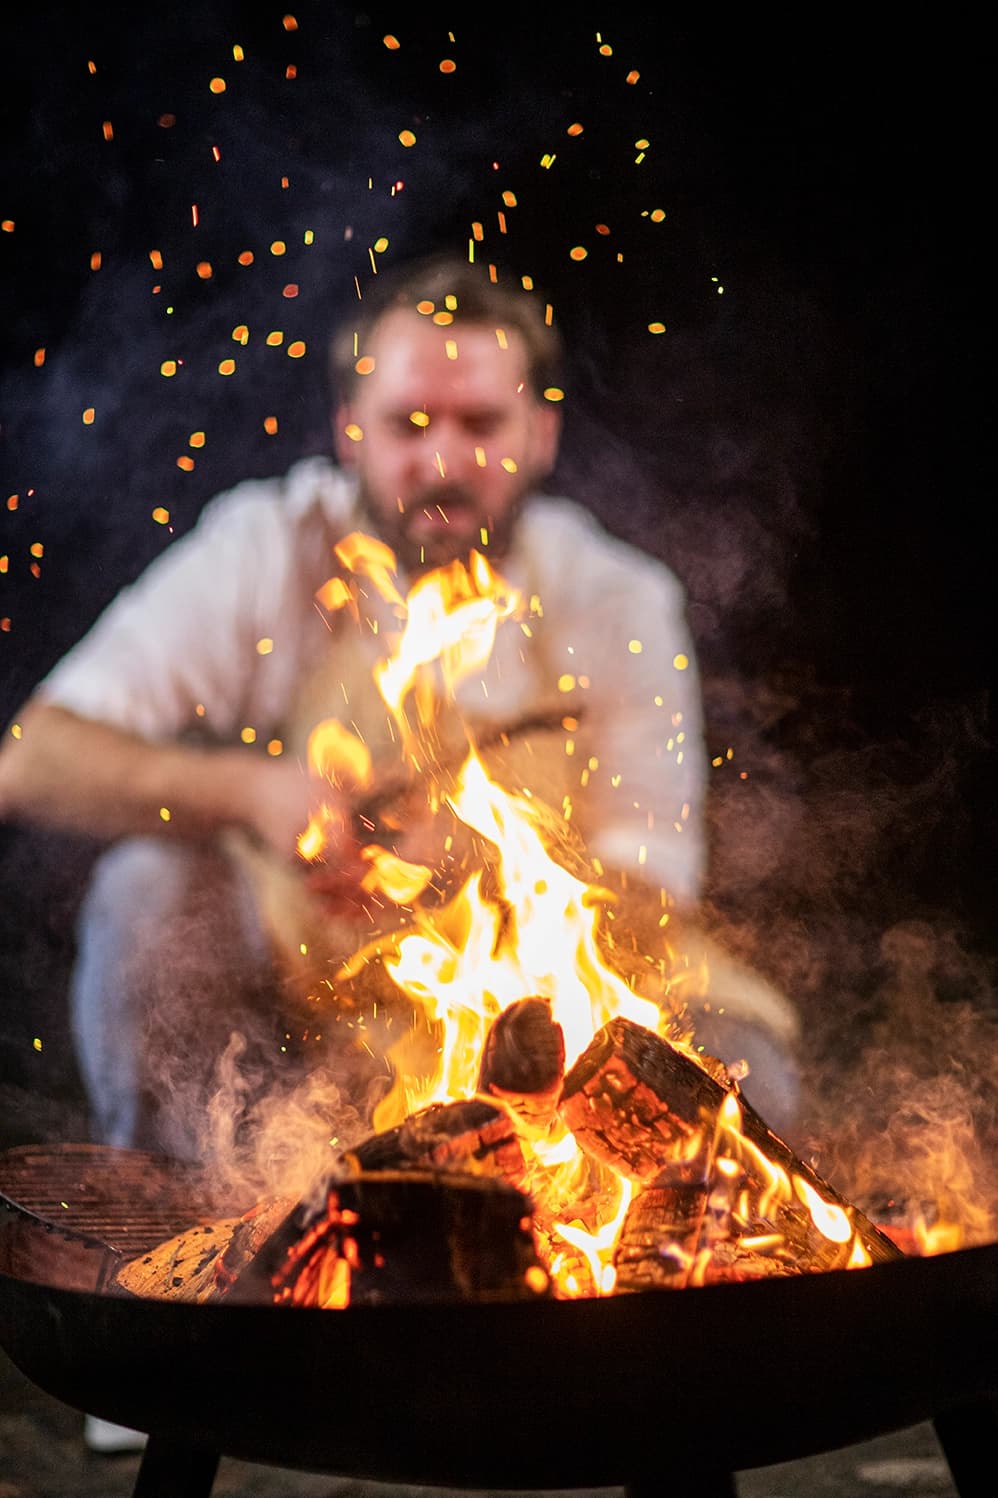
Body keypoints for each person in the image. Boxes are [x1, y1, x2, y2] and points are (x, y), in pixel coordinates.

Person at [0, 252, 800, 1171]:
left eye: (481, 423)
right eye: (410, 424)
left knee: (748, 1080)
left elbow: (654, 891)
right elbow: (32, 760)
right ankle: (182, 1250)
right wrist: (254, 794)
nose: (445, 461)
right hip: (314, 1011)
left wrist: (483, 867)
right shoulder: (266, 549)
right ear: (349, 432)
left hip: (550, 1027)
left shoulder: (615, 600)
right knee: (150, 892)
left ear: (541, 435)